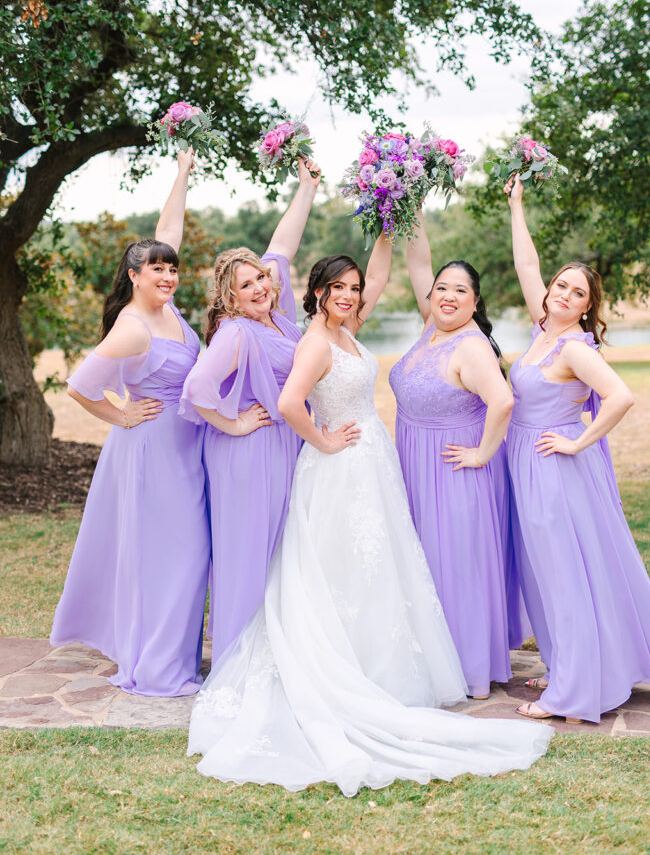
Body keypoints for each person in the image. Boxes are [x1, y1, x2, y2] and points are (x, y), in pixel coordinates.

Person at [187, 242, 552, 796]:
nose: (350, 297)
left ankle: (382, 665)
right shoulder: (312, 341)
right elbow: (290, 404)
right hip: (339, 463)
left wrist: (390, 227)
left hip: (371, 462)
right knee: (341, 567)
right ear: (317, 294)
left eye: (354, 290)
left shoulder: (344, 331)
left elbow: (383, 277)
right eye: (339, 289)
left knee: (377, 565)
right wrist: (323, 439)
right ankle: (352, 670)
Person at [506, 174, 650, 723]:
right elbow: (526, 266)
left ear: (587, 307)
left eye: (576, 292)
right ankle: (566, 665)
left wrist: (578, 440)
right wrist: (516, 205)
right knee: (542, 576)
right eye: (560, 286)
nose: (562, 294)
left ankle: (572, 695)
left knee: (563, 577)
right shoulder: (541, 329)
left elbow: (620, 397)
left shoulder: (574, 348)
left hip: (552, 468)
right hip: (523, 465)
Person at [51, 150, 210, 697]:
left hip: (186, 447)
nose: (168, 275)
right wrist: (120, 416)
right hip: (153, 450)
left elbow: (168, 231)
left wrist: (183, 174)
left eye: (172, 268)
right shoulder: (134, 327)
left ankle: (174, 654)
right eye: (157, 269)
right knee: (174, 553)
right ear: (133, 275)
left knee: (188, 553)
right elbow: (78, 386)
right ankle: (159, 666)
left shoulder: (166, 308)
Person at [179, 157, 320, 665]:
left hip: (284, 444)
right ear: (232, 298)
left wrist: (305, 187)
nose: (260, 286)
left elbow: (284, 243)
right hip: (249, 450)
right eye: (247, 285)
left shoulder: (279, 318)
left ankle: (275, 653)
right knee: (247, 552)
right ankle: (239, 663)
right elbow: (197, 386)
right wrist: (233, 422)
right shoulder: (238, 332)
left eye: (261, 277)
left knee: (279, 551)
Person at [389, 212, 520, 698]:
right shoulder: (432, 328)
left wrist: (483, 454)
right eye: (441, 288)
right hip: (414, 465)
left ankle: (466, 667)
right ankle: (429, 660)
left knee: (455, 564)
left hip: (453, 469)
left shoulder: (471, 345)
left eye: (460, 291)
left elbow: (503, 401)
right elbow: (418, 258)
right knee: (423, 563)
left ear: (476, 301)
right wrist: (412, 204)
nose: (447, 295)